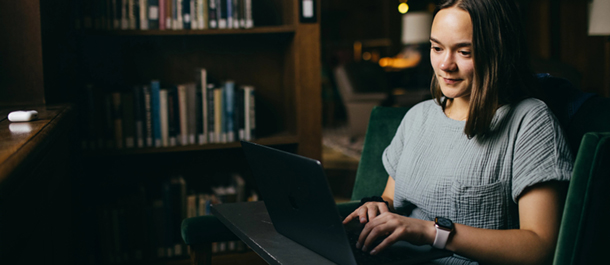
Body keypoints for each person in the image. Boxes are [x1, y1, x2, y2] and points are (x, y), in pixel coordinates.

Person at [342, 0, 574, 264]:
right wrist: (377, 205)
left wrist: (432, 232)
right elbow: (390, 197)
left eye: (464, 52)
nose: (445, 65)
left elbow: (540, 246)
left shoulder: (530, 121)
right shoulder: (418, 116)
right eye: (437, 48)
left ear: (497, 52)